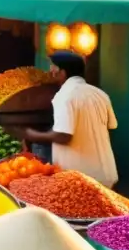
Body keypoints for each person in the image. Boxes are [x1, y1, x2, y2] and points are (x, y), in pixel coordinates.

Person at [24, 51, 119, 187]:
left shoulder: (64, 96)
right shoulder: (100, 94)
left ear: (63, 73)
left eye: (53, 67)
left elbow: (64, 136)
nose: (50, 71)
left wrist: (33, 135)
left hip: (79, 179)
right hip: (106, 175)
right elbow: (111, 128)